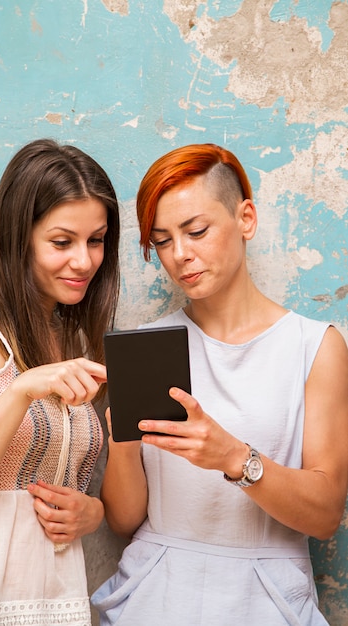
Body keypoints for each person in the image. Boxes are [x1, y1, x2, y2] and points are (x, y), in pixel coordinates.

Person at [91, 143, 348, 625]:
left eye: (197, 231)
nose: (181, 255)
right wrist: (121, 441)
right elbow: (124, 521)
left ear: (245, 218)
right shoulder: (144, 348)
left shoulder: (315, 347)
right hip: (155, 597)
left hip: (266, 600)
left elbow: (325, 515)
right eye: (163, 241)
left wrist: (234, 458)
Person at [0, 138, 120, 626]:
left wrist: (91, 513)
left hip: (57, 599)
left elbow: (62, 479)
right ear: (19, 236)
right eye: (62, 242)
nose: (83, 261)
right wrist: (20, 390)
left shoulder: (74, 333)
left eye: (96, 240)